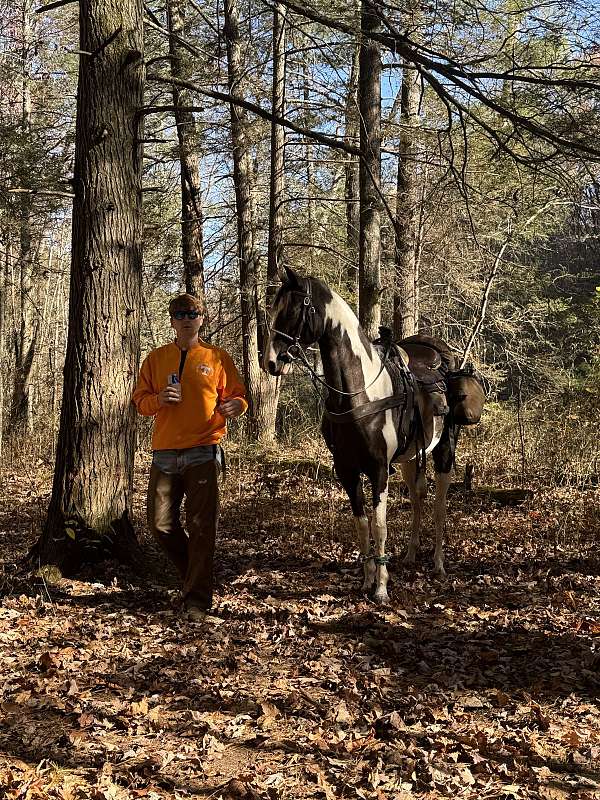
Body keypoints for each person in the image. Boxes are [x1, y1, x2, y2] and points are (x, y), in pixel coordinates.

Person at [133, 294, 247, 621]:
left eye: (193, 313)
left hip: (204, 450)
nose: (186, 318)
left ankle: (197, 601)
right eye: (180, 313)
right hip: (165, 452)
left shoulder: (217, 357)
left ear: (201, 319)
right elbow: (140, 402)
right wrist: (158, 400)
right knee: (160, 524)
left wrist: (236, 406)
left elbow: (239, 397)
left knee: (201, 527)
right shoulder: (156, 359)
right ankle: (194, 578)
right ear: (171, 320)